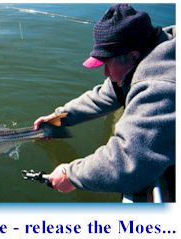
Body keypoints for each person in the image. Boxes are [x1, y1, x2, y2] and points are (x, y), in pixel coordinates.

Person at [34, 4, 175, 202]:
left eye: (107, 64)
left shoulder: (158, 86)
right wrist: (60, 117)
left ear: (133, 56)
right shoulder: (152, 47)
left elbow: (129, 162)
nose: (105, 74)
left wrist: (72, 175)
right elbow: (109, 93)